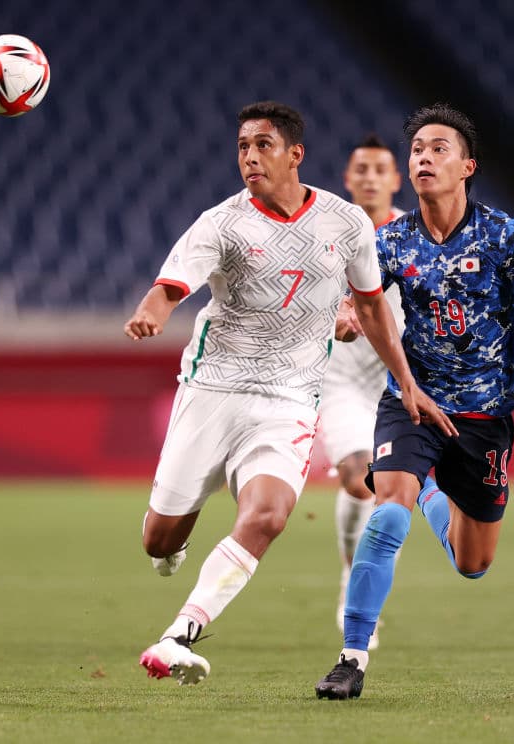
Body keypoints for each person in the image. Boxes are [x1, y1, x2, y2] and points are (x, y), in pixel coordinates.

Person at [123, 100, 456, 686]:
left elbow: (375, 306)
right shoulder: (222, 223)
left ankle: (180, 635)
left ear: (295, 154)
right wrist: (151, 311)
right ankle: (170, 549)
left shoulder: (344, 223)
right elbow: (170, 286)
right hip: (214, 390)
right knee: (159, 539)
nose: (249, 157)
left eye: (262, 145)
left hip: (291, 397)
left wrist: (406, 382)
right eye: (242, 147)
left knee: (270, 515)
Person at [315, 103, 514, 700]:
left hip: (483, 419)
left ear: (467, 165)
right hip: (413, 401)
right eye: (418, 149)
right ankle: (351, 658)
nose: (424, 157)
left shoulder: (504, 235)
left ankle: (433, 490)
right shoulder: (391, 240)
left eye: (438, 149)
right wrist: (350, 317)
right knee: (386, 518)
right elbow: (365, 302)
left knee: (472, 563)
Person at [318, 134, 406, 650]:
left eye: (380, 169)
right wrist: (333, 314)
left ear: (394, 181)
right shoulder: (326, 233)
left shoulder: (414, 235)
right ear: (349, 179)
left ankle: (359, 588)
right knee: (359, 479)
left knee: (391, 494)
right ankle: (353, 578)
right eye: (362, 169)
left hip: (397, 377)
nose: (370, 177)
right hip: (343, 378)